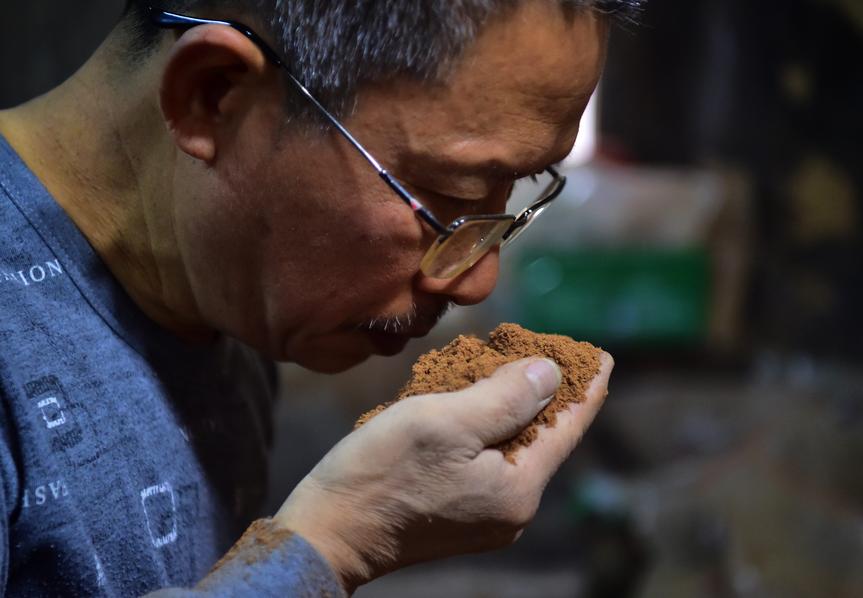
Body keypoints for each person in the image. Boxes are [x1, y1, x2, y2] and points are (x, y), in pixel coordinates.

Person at [0, 0, 634, 595]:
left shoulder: (229, 296)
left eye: (517, 188)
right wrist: (330, 545)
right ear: (211, 95)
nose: (475, 282)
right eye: (452, 195)